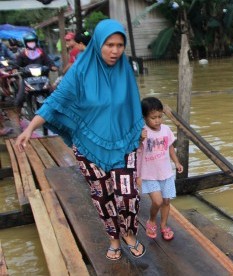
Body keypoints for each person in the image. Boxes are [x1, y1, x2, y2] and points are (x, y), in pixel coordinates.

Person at [15, 19, 146, 261]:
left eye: (119, 45)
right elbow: (55, 101)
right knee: (102, 197)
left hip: (123, 142)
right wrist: (29, 128)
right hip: (89, 146)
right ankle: (114, 239)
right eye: (109, 45)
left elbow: (131, 102)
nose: (115, 51)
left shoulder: (124, 68)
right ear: (98, 44)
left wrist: (140, 126)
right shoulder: (80, 71)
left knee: (128, 196)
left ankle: (128, 231)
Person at [136, 97, 183, 241]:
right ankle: (151, 220)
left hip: (166, 173)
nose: (157, 120)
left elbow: (170, 148)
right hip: (149, 174)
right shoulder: (142, 132)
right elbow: (135, 151)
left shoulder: (166, 130)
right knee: (157, 201)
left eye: (159, 117)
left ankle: (163, 226)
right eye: (153, 118)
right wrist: (139, 138)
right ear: (144, 117)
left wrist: (177, 162)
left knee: (166, 202)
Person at [15, 33, 58, 117]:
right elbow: (17, 65)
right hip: (28, 80)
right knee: (19, 99)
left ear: (36, 42)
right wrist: (15, 69)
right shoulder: (22, 54)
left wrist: (52, 66)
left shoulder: (41, 52)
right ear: (25, 43)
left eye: (33, 41)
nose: (31, 43)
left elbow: (48, 61)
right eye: (29, 42)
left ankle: (57, 112)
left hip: (43, 79)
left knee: (54, 94)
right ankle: (18, 115)